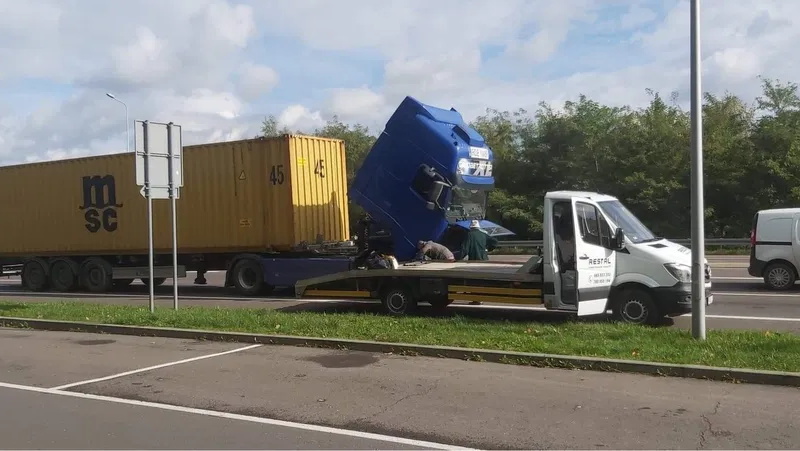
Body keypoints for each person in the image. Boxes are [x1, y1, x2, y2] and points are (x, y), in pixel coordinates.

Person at [459, 220, 498, 305]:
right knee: (481, 280)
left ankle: (476, 299)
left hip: (474, 260)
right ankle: (480, 298)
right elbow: (495, 242)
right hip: (484, 260)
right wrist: (489, 248)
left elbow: (465, 249)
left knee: (474, 281)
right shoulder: (483, 234)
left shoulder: (469, 235)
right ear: (478, 227)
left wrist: (458, 259)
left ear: (471, 228)